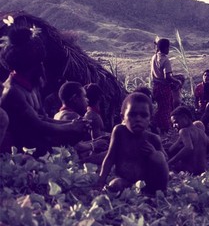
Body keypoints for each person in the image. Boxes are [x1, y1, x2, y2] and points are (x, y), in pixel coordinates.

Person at [0, 27, 88, 157]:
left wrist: (72, 124)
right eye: (39, 63)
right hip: (23, 148)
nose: (42, 67)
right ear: (29, 65)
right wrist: (71, 127)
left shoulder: (32, 85)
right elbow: (38, 125)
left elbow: (43, 117)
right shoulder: (13, 91)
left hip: (38, 137)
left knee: (78, 130)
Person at [97, 92, 169, 194]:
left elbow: (165, 161)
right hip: (125, 182)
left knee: (159, 156)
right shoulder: (119, 132)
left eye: (144, 116)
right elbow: (110, 157)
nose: (138, 119)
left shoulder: (153, 139)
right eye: (132, 115)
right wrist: (100, 182)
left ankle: (160, 193)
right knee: (115, 184)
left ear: (150, 119)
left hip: (146, 185)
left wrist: (154, 154)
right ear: (123, 118)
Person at [168, 106, 209, 175]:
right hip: (203, 170)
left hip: (189, 171)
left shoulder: (184, 131)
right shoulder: (201, 132)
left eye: (176, 122)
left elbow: (189, 147)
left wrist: (170, 162)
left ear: (185, 118)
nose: (174, 126)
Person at [150, 38, 181, 135]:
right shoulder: (165, 60)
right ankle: (165, 129)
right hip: (163, 87)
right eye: (168, 47)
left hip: (156, 86)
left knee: (161, 107)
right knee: (166, 109)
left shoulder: (154, 57)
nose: (169, 50)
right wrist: (178, 81)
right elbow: (167, 76)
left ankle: (156, 125)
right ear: (165, 48)